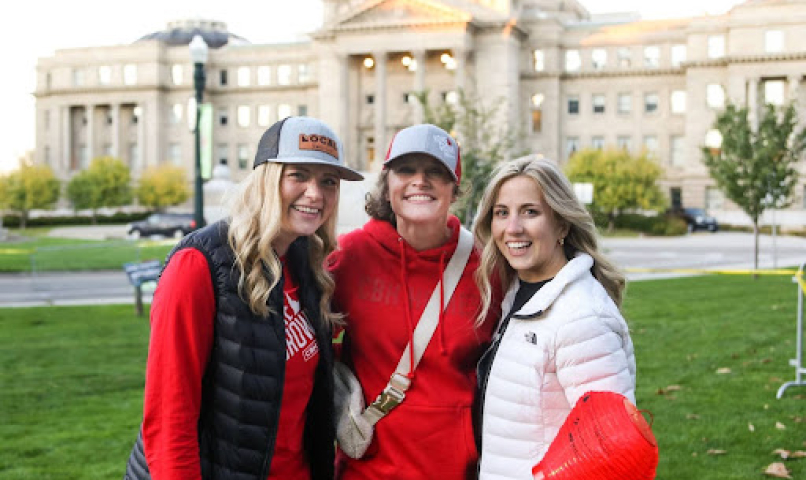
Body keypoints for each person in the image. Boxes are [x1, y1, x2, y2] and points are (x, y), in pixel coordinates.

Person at [123, 116, 364, 480]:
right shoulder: (201, 263)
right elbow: (169, 417)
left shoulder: (308, 265)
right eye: (298, 175)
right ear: (266, 179)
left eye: (328, 181)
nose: (316, 193)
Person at [328, 124, 500, 479]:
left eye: (435, 171)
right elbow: (310, 353)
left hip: (459, 470)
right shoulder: (351, 256)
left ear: (455, 188)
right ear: (387, 182)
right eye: (406, 170)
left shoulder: (487, 267)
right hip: (367, 470)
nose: (420, 181)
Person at [472, 155, 637, 480]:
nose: (512, 228)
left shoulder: (581, 317)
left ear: (562, 223)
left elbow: (612, 451)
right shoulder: (517, 295)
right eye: (502, 213)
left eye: (530, 212)